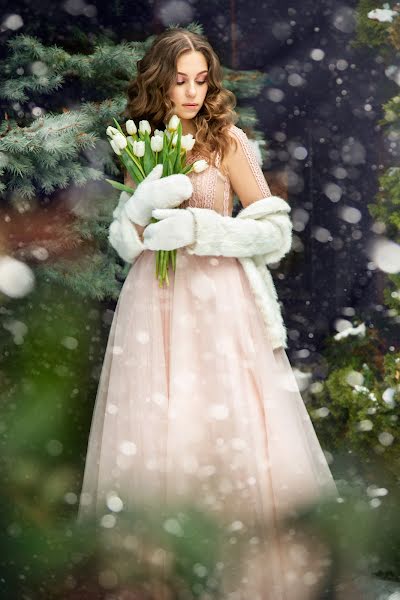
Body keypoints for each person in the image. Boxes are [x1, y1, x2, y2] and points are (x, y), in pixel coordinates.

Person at [77, 27, 340, 599]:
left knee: (224, 419)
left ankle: (238, 569)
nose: (192, 92)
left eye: (200, 80)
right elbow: (129, 238)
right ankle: (158, 571)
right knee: (156, 423)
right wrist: (141, 208)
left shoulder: (228, 140)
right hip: (155, 298)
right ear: (159, 82)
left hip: (220, 300)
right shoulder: (139, 142)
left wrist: (202, 228)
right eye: (179, 80)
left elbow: (273, 229)